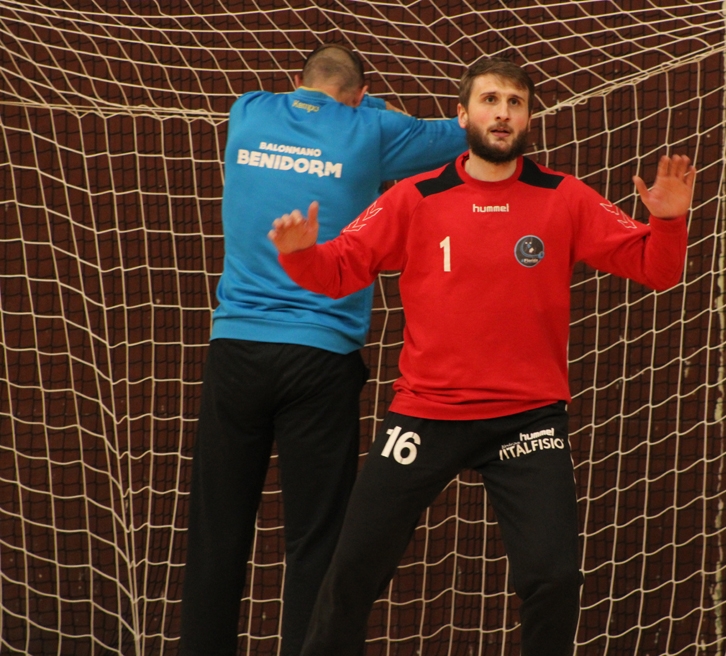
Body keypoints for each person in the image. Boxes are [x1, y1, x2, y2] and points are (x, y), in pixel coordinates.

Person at [269, 56, 694, 656]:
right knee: (350, 571)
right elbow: (337, 270)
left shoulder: (564, 196)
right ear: (463, 115)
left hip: (527, 419)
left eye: (515, 102)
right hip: (426, 414)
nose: (502, 113)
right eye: (490, 100)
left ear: (528, 119)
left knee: (554, 578)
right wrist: (300, 255)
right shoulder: (415, 197)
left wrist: (668, 223)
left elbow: (657, 269)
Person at [178, 43, 466, 656]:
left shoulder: (246, 110)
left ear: (296, 81)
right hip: (320, 358)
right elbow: (455, 136)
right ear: (359, 96)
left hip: (236, 352)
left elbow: (313, 105)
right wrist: (366, 111)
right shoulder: (371, 129)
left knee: (216, 532)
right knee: (316, 539)